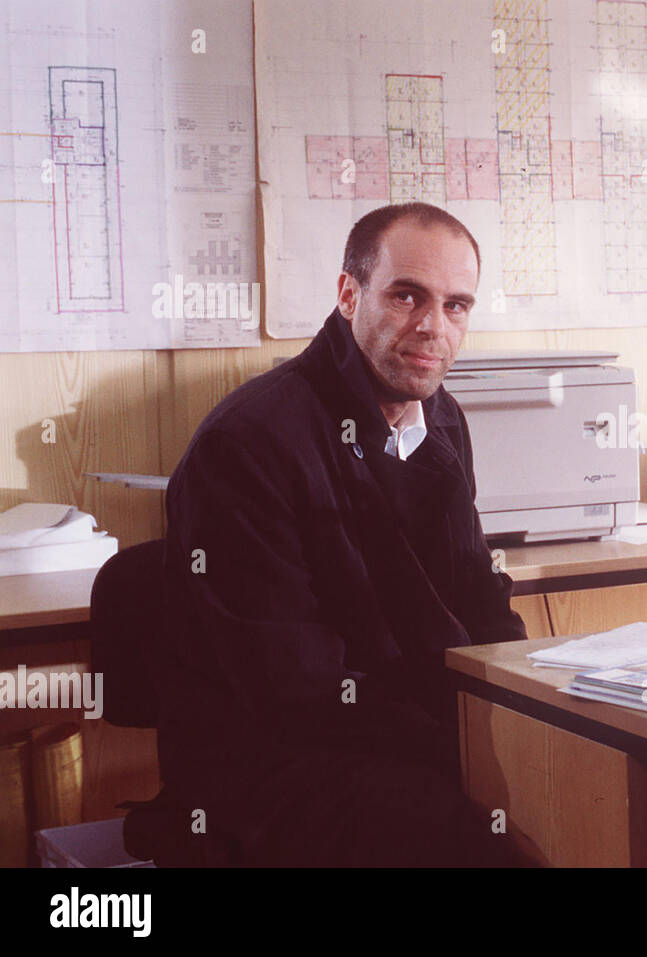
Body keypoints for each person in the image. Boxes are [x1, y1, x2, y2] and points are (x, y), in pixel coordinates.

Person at [151, 203, 535, 865]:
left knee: (574, 783)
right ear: (348, 293)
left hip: (402, 731)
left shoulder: (439, 421)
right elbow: (294, 687)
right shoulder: (251, 441)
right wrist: (461, 738)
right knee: (479, 841)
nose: (432, 328)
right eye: (407, 295)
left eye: (456, 306)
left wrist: (534, 709)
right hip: (270, 761)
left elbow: (478, 596)